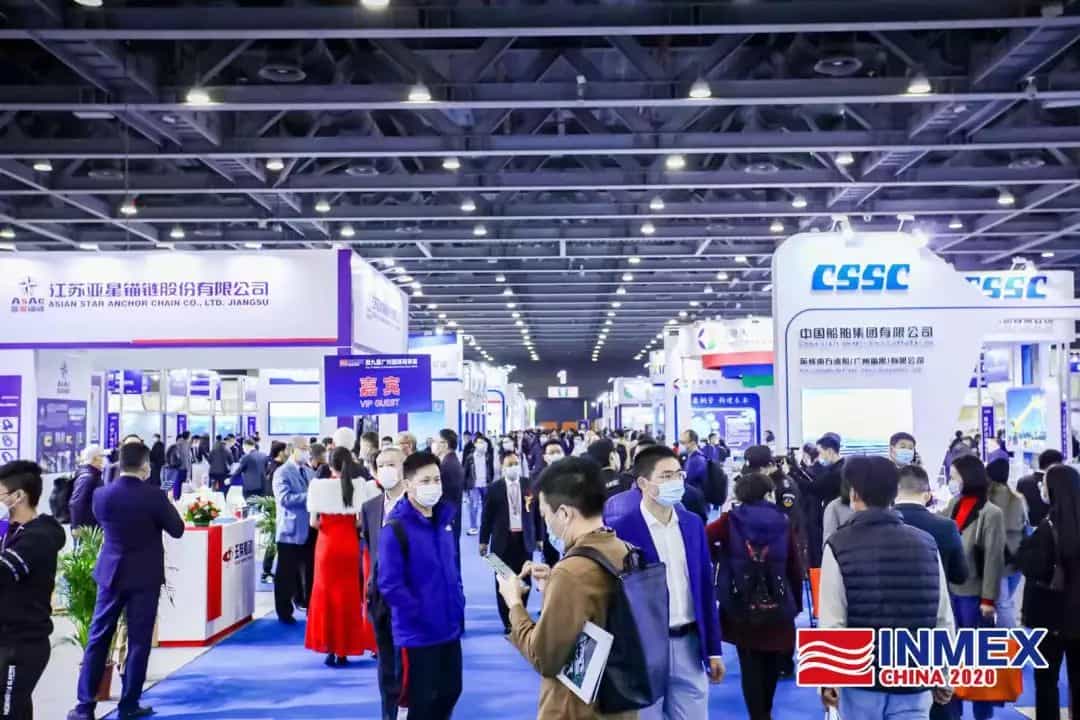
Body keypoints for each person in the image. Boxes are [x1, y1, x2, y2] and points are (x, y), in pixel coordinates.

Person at [498, 456, 636, 719]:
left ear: (564, 513)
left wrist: (514, 604)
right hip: (621, 704)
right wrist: (554, 586)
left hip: (575, 709)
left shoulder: (571, 571)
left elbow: (544, 658)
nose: (546, 523)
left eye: (545, 514)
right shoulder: (624, 550)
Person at [818, 456, 955, 719]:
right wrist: (944, 674)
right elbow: (942, 618)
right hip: (914, 676)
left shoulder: (837, 544)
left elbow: (833, 622)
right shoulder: (926, 543)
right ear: (894, 494)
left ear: (854, 494)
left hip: (861, 679)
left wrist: (829, 679)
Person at [68, 442, 185, 720]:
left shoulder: (102, 495)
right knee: (138, 642)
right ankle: (129, 704)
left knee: (98, 638)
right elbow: (177, 529)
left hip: (111, 574)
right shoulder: (154, 496)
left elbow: (101, 523)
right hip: (145, 577)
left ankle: (84, 706)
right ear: (145, 466)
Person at [607, 445, 725, 718]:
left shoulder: (692, 524)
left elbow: (705, 588)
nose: (676, 482)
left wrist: (714, 649)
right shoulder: (621, 530)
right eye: (666, 476)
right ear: (643, 483)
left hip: (689, 643)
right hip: (644, 648)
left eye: (679, 475)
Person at [377, 452, 465, 719]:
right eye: (425, 481)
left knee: (450, 692)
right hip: (417, 635)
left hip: (449, 629)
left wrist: (458, 602)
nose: (433, 486)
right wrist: (419, 613)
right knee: (420, 703)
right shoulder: (395, 528)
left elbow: (452, 569)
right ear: (408, 485)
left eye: (436, 479)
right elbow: (390, 584)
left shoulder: (443, 521)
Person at [709, 471, 802, 720]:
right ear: (768, 493)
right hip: (778, 600)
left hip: (740, 602)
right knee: (772, 662)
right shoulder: (783, 520)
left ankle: (758, 715)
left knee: (749, 664)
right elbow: (794, 565)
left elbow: (704, 540)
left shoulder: (729, 520)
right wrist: (795, 603)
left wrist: (723, 559)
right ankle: (767, 711)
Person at [0, 461, 66, 720]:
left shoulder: (38, 537)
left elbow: (5, 571)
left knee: (8, 711)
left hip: (22, 644)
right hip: (7, 638)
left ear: (18, 496)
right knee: (18, 709)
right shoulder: (9, 530)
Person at [942, 454, 1006, 720]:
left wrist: (988, 599)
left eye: (954, 477)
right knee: (950, 657)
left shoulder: (992, 513)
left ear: (967, 477)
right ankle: (952, 710)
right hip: (950, 593)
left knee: (977, 658)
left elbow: (994, 558)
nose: (951, 481)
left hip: (974, 596)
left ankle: (982, 713)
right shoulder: (953, 504)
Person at [1017, 464, 1080, 720]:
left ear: (1052, 490)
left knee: (1046, 679)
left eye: (1043, 485)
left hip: (1049, 615)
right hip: (1077, 616)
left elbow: (1033, 568)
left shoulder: (1048, 527)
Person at [305, 447, 377, 666]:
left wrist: (329, 526)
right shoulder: (358, 486)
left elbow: (313, 522)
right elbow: (360, 521)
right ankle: (344, 650)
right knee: (347, 595)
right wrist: (346, 525)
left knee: (325, 595)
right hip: (348, 544)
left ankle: (329, 647)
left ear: (330, 464)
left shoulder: (318, 486)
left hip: (326, 545)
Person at [362, 447, 408, 720]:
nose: (386, 470)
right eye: (381, 465)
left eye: (392, 464)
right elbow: (371, 550)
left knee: (410, 666)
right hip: (379, 597)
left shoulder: (418, 506)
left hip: (409, 598)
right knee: (387, 665)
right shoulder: (370, 507)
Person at [481, 451, 536, 634]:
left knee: (524, 580)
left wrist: (540, 538)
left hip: (524, 540)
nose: (514, 467)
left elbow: (536, 514)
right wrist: (483, 541)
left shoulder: (529, 485)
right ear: (502, 467)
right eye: (510, 464)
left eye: (516, 463)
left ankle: (521, 615)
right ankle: (507, 621)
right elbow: (486, 517)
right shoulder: (494, 488)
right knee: (502, 580)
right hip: (501, 542)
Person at [894, 464, 969, 586]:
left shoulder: (879, 525)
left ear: (893, 494)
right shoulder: (947, 527)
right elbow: (959, 576)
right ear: (927, 496)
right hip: (934, 593)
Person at [272, 437, 315, 624]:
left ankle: (310, 607)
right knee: (286, 574)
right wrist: (310, 496)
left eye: (308, 448)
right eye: (303, 448)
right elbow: (284, 499)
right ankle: (284, 611)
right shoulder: (282, 472)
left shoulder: (310, 472)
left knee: (310, 572)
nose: (306, 452)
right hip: (290, 531)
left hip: (310, 528)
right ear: (292, 450)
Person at [986, 457, 1028, 628]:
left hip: (996, 557)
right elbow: (1025, 527)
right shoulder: (1018, 498)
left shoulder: (986, 498)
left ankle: (1007, 639)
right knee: (1006, 600)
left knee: (1002, 603)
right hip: (1016, 556)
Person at [797, 432, 844, 568]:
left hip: (837, 519)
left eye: (820, 452)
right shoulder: (832, 469)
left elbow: (815, 487)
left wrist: (793, 475)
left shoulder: (839, 471)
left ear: (829, 451)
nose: (819, 456)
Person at [432, 428, 465, 568]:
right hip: (451, 517)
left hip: (447, 518)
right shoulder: (450, 462)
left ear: (445, 444)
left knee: (449, 557)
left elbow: (444, 495)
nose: (433, 445)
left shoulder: (447, 466)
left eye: (436, 441)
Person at [1018, 449, 1063, 527]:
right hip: (1054, 529)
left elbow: (1019, 509)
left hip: (1029, 528)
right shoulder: (1059, 482)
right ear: (1056, 465)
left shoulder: (1023, 481)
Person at [70, 444, 106, 532]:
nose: (103, 460)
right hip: (87, 529)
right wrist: (76, 527)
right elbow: (76, 503)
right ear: (94, 458)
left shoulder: (94, 475)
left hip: (91, 527)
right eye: (101, 456)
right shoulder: (87, 477)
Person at [465, 433, 494, 536]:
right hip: (474, 485)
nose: (481, 444)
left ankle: (485, 526)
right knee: (474, 506)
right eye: (479, 442)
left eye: (483, 442)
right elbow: (466, 472)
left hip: (485, 484)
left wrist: (490, 481)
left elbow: (491, 470)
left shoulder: (488, 456)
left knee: (487, 507)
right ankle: (473, 527)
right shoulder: (470, 457)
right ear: (475, 444)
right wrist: (466, 488)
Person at [163, 431, 191, 501]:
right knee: (178, 485)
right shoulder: (184, 445)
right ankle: (177, 500)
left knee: (168, 485)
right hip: (180, 468)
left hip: (170, 468)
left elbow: (166, 456)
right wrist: (188, 470)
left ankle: (165, 499)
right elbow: (186, 459)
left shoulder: (172, 446)